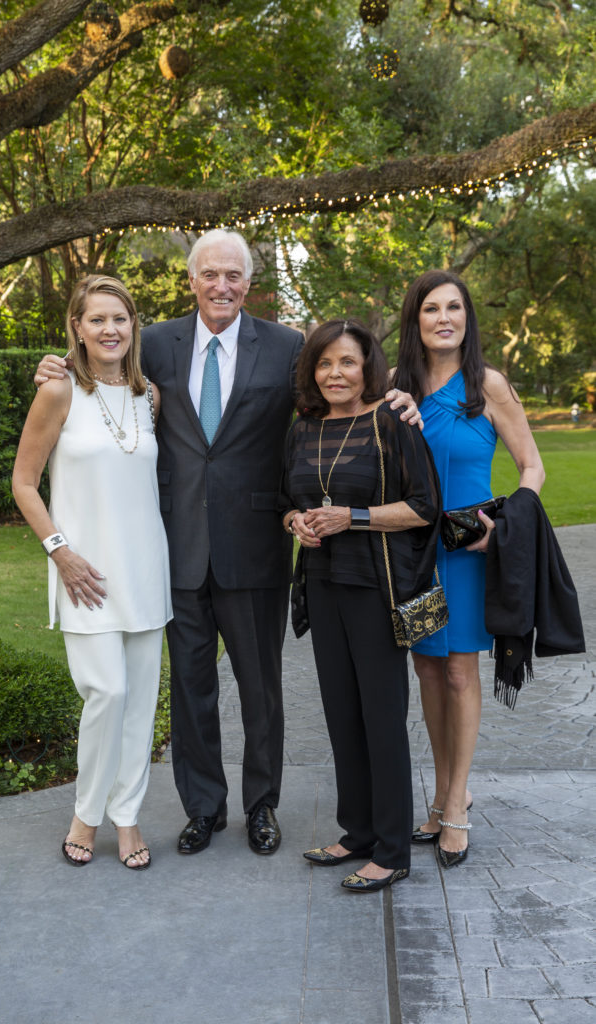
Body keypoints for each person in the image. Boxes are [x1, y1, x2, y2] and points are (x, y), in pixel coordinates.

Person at [34, 230, 422, 857]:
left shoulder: (289, 346)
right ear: (192, 280)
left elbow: (334, 393)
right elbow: (96, 375)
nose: (221, 286)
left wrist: (394, 397)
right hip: (173, 547)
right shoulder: (153, 342)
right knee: (190, 690)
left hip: (257, 546)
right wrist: (53, 366)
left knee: (261, 689)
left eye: (233, 276)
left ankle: (261, 806)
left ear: (248, 282)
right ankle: (202, 809)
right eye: (210, 274)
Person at [13, 275, 172, 870]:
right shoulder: (57, 391)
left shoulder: (148, 396)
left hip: (144, 567)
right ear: (76, 328)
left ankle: (126, 817)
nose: (110, 330)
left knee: (139, 701)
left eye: (121, 319)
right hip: (82, 570)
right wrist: (60, 550)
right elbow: (23, 482)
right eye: (97, 319)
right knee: (105, 692)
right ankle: (86, 813)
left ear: (134, 327)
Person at [280, 318, 441, 893]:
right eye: (324, 363)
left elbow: (424, 506)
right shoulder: (303, 427)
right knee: (342, 714)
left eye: (347, 362)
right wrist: (297, 520)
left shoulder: (392, 421)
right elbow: (287, 501)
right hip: (321, 584)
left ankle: (394, 847)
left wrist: (353, 517)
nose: (335, 374)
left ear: (367, 365)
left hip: (376, 587)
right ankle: (359, 832)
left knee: (381, 716)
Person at [392, 269, 544, 868]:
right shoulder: (396, 388)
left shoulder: (488, 386)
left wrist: (505, 528)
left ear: (467, 318)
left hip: (465, 553)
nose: (444, 318)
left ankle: (454, 804)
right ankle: (443, 791)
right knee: (427, 673)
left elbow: (531, 467)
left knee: (459, 673)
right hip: (413, 556)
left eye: (455, 307)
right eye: (432, 309)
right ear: (416, 320)